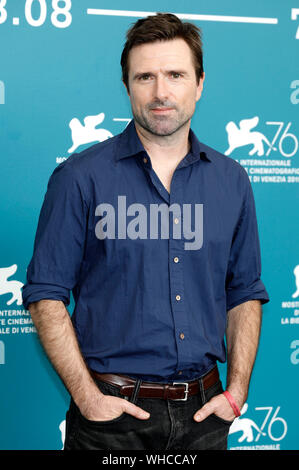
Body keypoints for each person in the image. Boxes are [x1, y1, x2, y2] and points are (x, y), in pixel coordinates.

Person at [22, 13, 269, 451]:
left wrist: (236, 392)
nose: (161, 92)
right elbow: (45, 294)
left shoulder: (232, 180)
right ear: (126, 85)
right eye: (145, 77)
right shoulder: (80, 178)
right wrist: (87, 397)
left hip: (205, 415)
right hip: (110, 421)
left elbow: (245, 291)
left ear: (200, 83)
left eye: (175, 74)